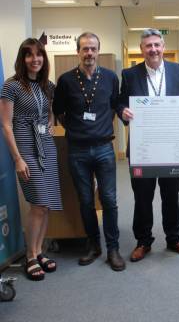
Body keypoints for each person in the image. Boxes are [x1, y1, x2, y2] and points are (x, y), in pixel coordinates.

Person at [118, 28, 179, 262]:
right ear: (141, 49)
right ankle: (143, 241)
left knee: (171, 195)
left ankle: (174, 239)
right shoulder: (130, 74)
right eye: (148, 46)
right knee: (143, 197)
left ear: (163, 47)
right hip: (143, 148)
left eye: (156, 45)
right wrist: (123, 111)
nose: (153, 49)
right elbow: (121, 103)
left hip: (173, 147)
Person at [52, 32, 125, 272]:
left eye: (93, 49)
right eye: (85, 49)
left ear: (98, 51)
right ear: (78, 52)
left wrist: (100, 127)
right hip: (78, 150)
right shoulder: (65, 80)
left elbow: (115, 106)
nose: (89, 53)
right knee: (85, 200)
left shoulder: (111, 78)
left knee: (109, 200)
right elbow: (60, 112)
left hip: (104, 148)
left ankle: (113, 248)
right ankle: (94, 245)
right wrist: (79, 130)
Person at [0, 38, 62, 281]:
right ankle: (30, 256)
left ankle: (39, 250)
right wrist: (17, 159)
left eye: (39, 54)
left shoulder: (48, 85)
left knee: (45, 205)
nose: (35, 59)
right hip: (25, 147)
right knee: (37, 203)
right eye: (29, 55)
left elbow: (50, 114)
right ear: (22, 58)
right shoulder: (11, 86)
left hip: (46, 145)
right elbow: (5, 124)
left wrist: (49, 124)